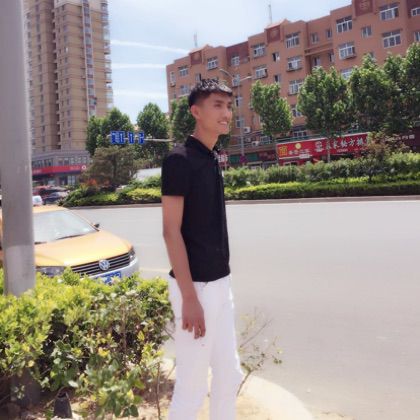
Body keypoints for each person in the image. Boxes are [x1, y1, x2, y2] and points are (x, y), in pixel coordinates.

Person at [161, 78, 244, 420]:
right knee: (192, 390)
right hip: (195, 288)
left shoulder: (211, 157)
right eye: (217, 105)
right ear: (196, 112)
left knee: (230, 375)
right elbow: (170, 231)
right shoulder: (179, 159)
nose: (226, 113)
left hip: (220, 284)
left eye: (229, 106)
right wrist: (189, 298)